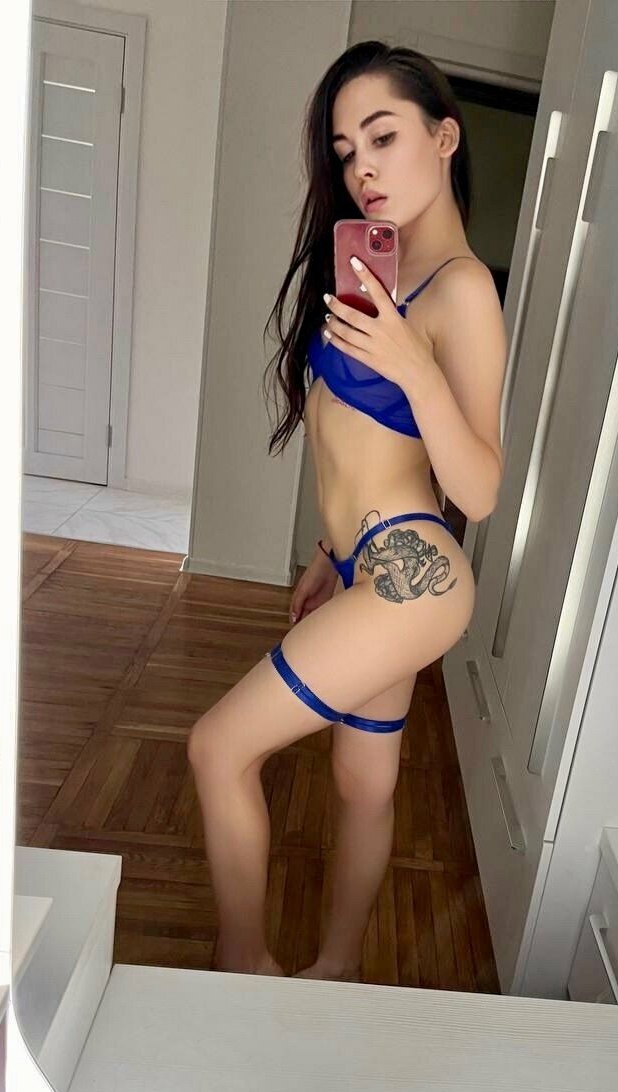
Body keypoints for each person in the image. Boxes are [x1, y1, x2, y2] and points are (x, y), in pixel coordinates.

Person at [187, 41, 507, 981]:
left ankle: (244, 972)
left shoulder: (461, 290)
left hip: (417, 574)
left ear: (444, 137)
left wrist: (414, 366)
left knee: (218, 749)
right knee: (363, 785)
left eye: (383, 136)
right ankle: (333, 971)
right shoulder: (379, 272)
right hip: (365, 562)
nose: (362, 166)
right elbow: (350, 440)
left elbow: (480, 488)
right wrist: (329, 555)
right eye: (345, 150)